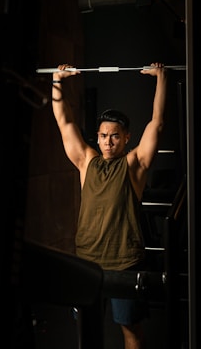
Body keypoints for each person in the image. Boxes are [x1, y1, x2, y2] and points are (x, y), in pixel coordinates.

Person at [51, 62, 167, 349]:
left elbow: (157, 123)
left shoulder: (134, 164)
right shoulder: (87, 161)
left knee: (131, 333)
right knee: (86, 332)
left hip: (124, 263)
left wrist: (162, 79)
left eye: (115, 136)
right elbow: (64, 122)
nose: (108, 142)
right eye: (103, 136)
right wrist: (57, 81)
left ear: (126, 138)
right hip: (87, 261)